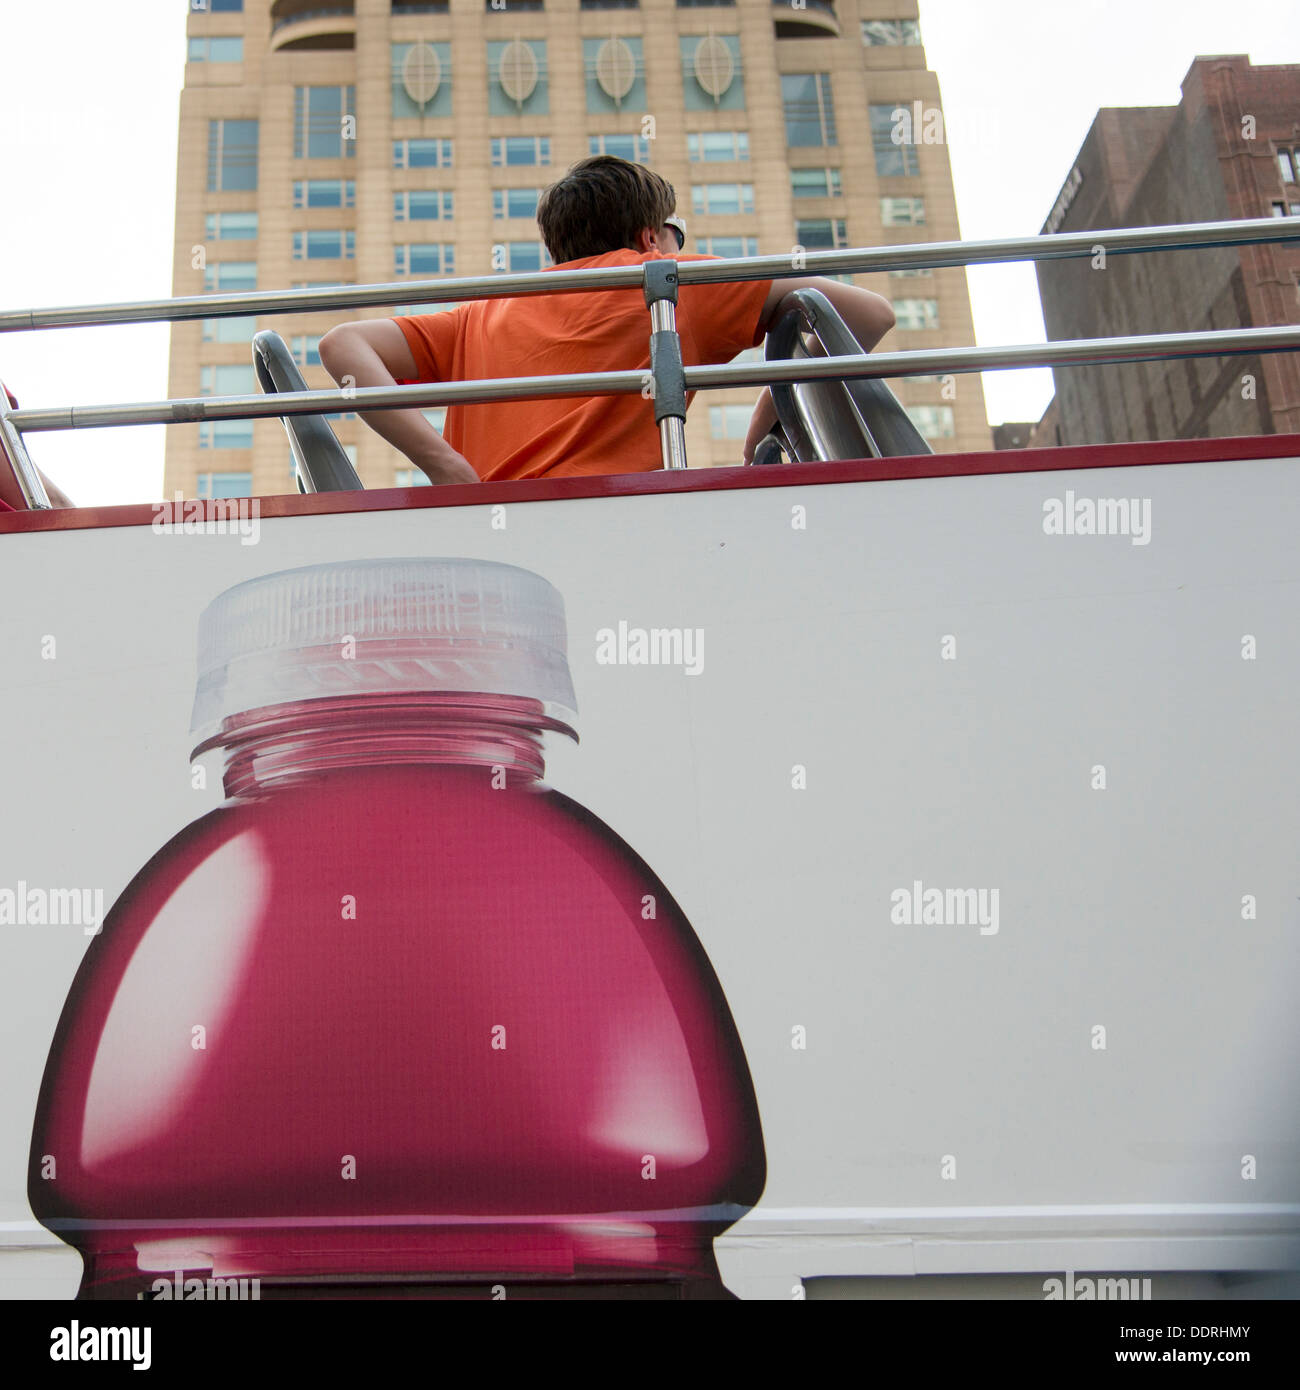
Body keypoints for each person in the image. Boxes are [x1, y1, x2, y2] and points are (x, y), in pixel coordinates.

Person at [318, 156, 895, 485]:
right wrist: (766, 423)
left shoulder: (483, 311)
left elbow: (341, 344)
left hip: (488, 534)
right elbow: (869, 314)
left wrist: (444, 466)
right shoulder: (665, 281)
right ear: (650, 237)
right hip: (616, 523)